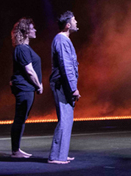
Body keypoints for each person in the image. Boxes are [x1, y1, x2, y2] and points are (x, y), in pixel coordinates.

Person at [49, 11, 80, 165]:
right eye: (74, 20)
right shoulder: (61, 40)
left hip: (64, 84)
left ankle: (61, 154)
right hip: (62, 85)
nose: (77, 22)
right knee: (64, 119)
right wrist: (73, 88)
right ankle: (56, 156)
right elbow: (66, 65)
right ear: (68, 25)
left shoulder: (64, 39)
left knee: (67, 119)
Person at [9, 18, 43, 159]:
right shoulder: (22, 49)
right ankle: (16, 151)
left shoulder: (25, 48)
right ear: (25, 32)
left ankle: (16, 150)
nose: (35, 30)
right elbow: (29, 70)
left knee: (22, 117)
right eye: (32, 28)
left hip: (27, 88)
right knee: (20, 118)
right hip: (24, 88)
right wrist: (38, 85)